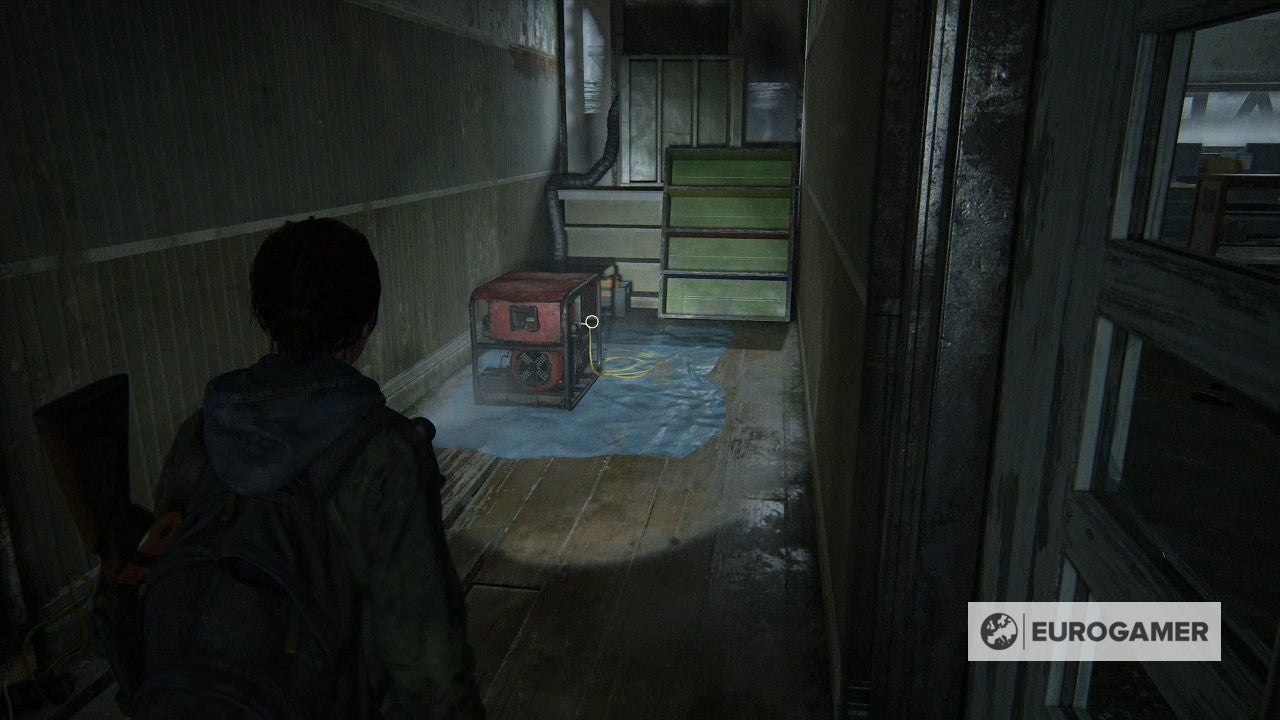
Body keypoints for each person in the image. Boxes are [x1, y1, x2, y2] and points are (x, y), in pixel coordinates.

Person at [137, 217, 484, 719]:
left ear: (265, 316)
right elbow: (427, 663)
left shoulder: (205, 426)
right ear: (367, 323)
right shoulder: (384, 453)